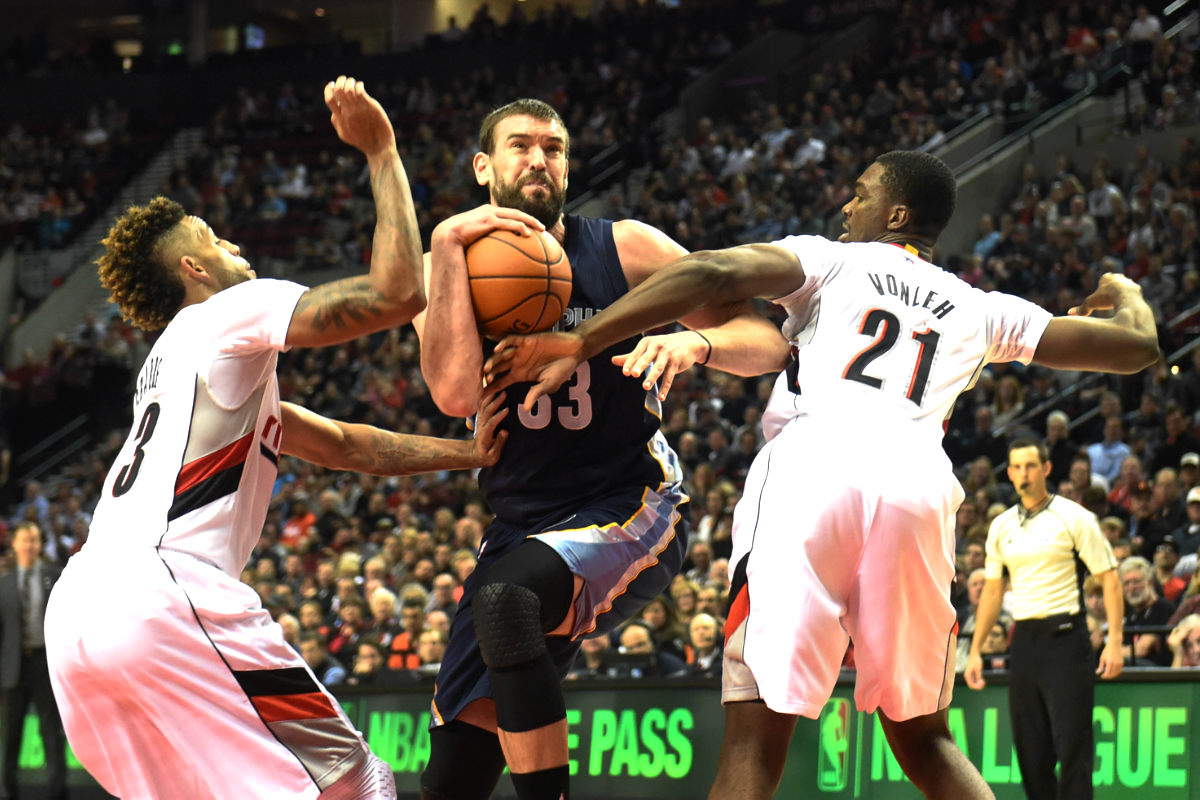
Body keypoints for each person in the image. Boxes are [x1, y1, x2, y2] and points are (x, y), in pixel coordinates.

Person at [484, 149, 1159, 799]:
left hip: (816, 470)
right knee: (925, 739)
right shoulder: (982, 308)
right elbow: (1137, 348)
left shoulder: (832, 259)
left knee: (753, 736)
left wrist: (584, 336)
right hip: (919, 491)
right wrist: (1127, 290)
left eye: (861, 192)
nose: (846, 202)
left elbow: (715, 272)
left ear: (895, 215)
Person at [41, 77, 509, 800]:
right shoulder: (228, 312)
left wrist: (471, 452)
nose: (235, 245)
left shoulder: (175, 368)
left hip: (75, 619)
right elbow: (396, 294)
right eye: (216, 239)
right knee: (353, 780)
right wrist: (382, 151)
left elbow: (350, 446)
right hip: (161, 593)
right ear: (194, 270)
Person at [412, 98, 787, 800]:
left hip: (631, 501)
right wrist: (444, 245)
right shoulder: (454, 268)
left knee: (506, 602)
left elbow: (767, 341)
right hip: (520, 524)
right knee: (453, 776)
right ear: (483, 166)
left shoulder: (626, 248)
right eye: (520, 146)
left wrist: (694, 340)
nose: (539, 159)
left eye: (553, 147)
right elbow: (457, 394)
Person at [964, 439, 1124, 800]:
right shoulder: (1001, 525)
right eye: (1017, 467)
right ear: (1008, 473)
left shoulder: (1074, 517)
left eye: (1031, 466)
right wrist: (974, 650)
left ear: (1047, 469)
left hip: (1066, 639)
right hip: (1025, 642)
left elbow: (1110, 579)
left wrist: (1114, 641)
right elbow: (992, 591)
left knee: (1073, 751)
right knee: (1032, 754)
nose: (1024, 473)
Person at [0, 523, 66, 800]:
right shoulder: (3, 584)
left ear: (40, 545)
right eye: (24, 540)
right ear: (14, 545)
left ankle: (58, 791)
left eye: (34, 540)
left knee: (51, 732)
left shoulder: (55, 577)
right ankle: (7, 790)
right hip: (13, 668)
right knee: (9, 736)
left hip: (45, 665)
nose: (29, 545)